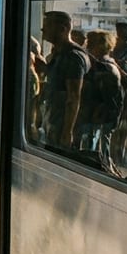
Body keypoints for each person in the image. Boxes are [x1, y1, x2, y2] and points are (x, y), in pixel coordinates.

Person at [39, 10, 89, 150]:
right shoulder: (59, 53)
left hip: (62, 125)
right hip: (54, 119)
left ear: (62, 29)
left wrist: (67, 132)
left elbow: (73, 97)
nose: (43, 29)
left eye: (47, 25)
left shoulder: (73, 57)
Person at [75, 29, 122, 158]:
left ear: (102, 45)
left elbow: (107, 98)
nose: (88, 46)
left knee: (94, 153)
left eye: (92, 43)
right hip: (94, 117)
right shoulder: (101, 64)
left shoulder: (106, 67)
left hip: (99, 118)